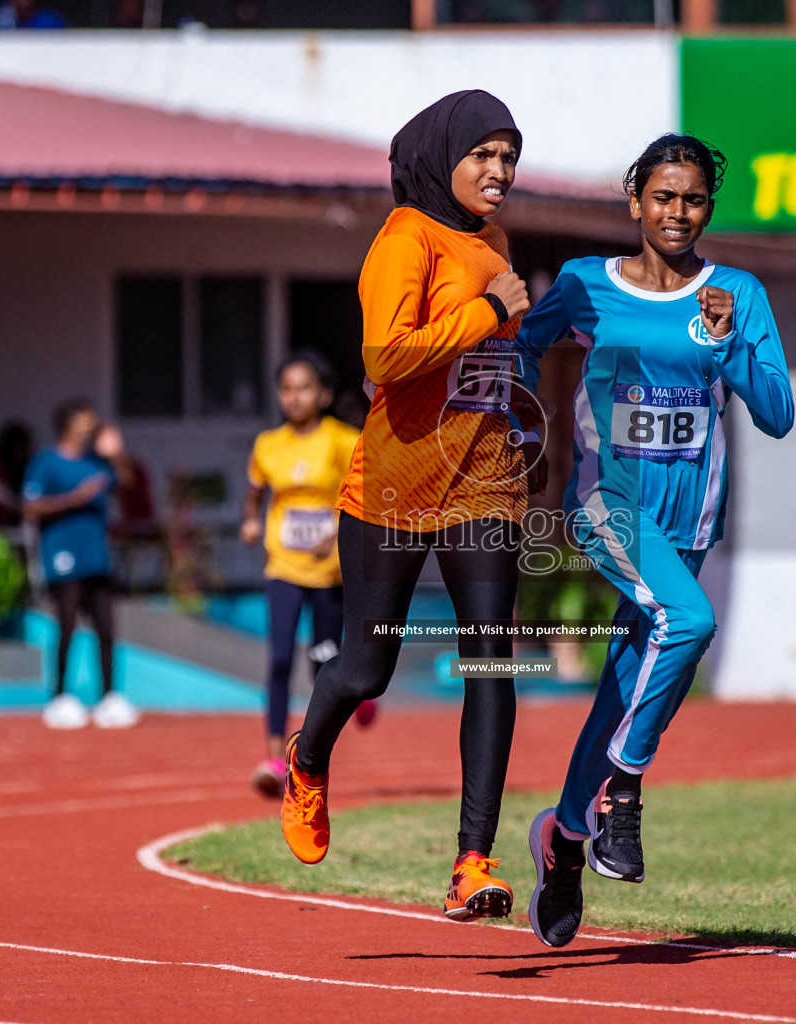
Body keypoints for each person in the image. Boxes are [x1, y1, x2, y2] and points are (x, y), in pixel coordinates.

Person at [515, 134, 795, 947]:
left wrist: (731, 343)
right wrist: (520, 431)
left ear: (710, 207)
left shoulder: (737, 293)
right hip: (611, 505)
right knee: (693, 622)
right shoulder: (582, 284)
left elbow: (776, 414)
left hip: (691, 517)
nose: (679, 213)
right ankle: (623, 797)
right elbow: (523, 351)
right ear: (635, 199)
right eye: (664, 197)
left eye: (695, 200)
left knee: (627, 686)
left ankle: (564, 840)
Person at [279, 90, 545, 921]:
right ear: (443, 158)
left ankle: (474, 862)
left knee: (492, 663)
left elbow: (486, 351)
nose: (500, 171)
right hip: (395, 484)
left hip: (485, 481)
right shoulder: (403, 239)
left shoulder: (490, 238)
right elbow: (387, 358)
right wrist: (490, 309)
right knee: (365, 669)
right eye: (485, 156)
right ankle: (308, 755)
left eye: (509, 156)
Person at [239, 351, 363, 798]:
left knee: (324, 665)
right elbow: (255, 494)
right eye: (286, 389)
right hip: (283, 567)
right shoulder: (268, 445)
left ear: (324, 394)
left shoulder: (344, 441)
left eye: (304, 387)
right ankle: (276, 757)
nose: (294, 397)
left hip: (329, 571)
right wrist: (251, 520)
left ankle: (360, 695)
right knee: (278, 660)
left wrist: (333, 532)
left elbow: (362, 498)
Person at [22, 399, 139, 730]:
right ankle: (59, 696)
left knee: (106, 628)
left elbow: (128, 482)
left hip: (96, 556)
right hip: (62, 555)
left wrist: (117, 453)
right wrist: (74, 499)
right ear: (71, 426)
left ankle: (109, 697)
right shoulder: (46, 463)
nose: (93, 427)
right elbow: (30, 507)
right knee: (67, 625)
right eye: (87, 422)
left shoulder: (97, 463)